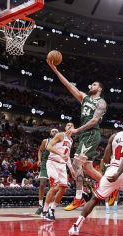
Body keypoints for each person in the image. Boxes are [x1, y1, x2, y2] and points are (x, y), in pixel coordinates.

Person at [47, 59, 107, 211]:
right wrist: (54, 69)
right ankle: (111, 188)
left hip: (91, 134)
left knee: (75, 163)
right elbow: (68, 85)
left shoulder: (101, 103)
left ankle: (79, 198)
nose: (91, 86)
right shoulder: (84, 98)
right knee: (88, 168)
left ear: (99, 89)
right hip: (85, 135)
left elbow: (94, 121)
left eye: (94, 84)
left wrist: (77, 130)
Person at [43, 123, 76, 221]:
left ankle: (52, 209)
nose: (70, 126)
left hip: (62, 165)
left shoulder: (71, 140)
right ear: (65, 128)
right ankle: (45, 210)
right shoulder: (61, 135)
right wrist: (60, 154)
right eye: (68, 125)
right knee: (55, 187)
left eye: (72, 125)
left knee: (63, 189)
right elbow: (48, 147)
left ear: (74, 129)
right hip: (52, 163)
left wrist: (71, 169)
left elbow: (67, 156)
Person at [35, 128, 59, 215]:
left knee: (53, 187)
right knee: (42, 183)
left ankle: (49, 206)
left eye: (56, 131)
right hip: (45, 163)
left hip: (55, 164)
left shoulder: (60, 142)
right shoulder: (45, 141)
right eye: (53, 131)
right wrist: (39, 160)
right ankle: (40, 205)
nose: (55, 132)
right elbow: (40, 151)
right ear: (50, 133)